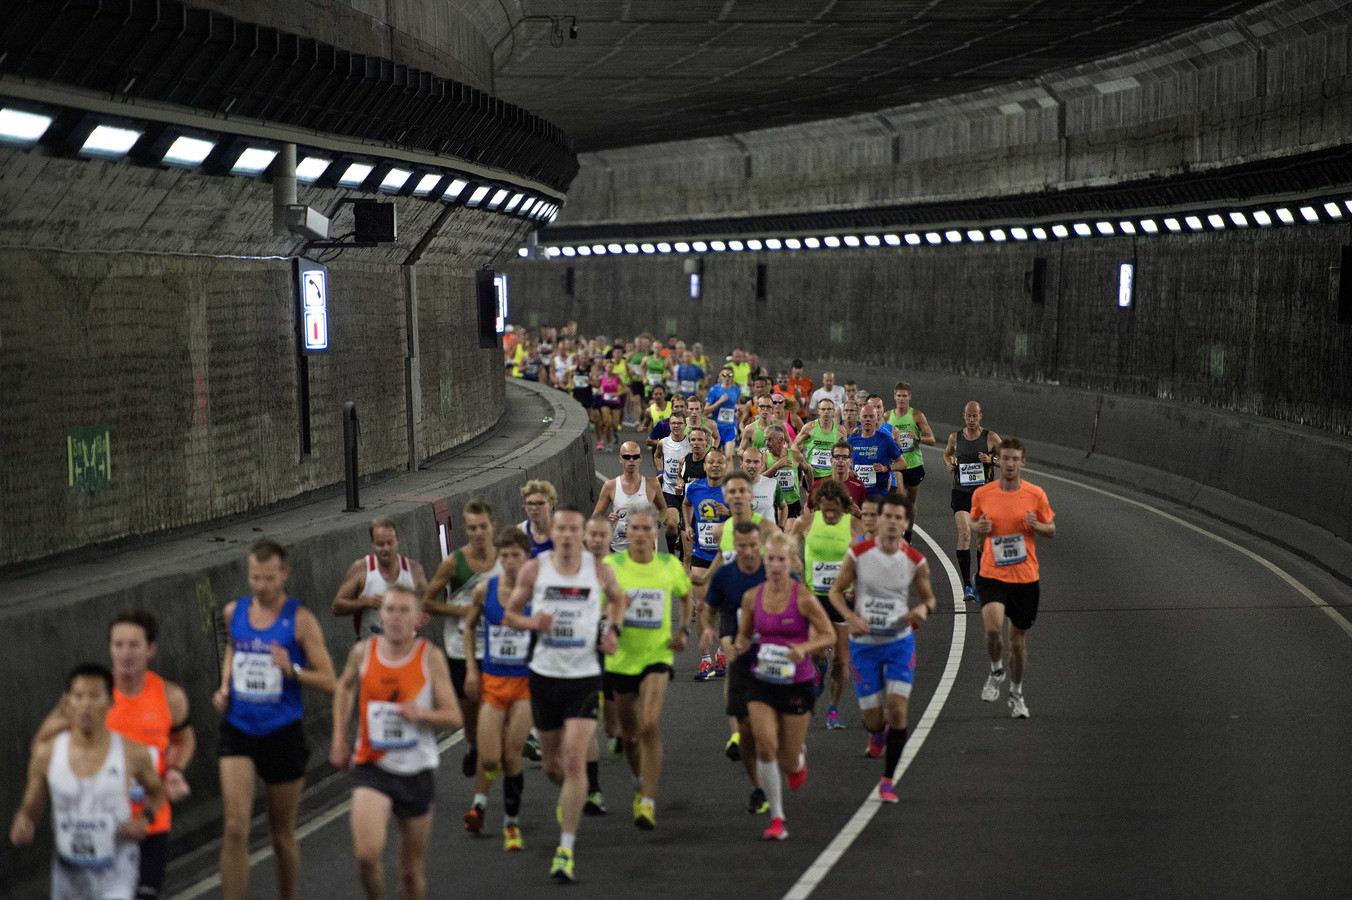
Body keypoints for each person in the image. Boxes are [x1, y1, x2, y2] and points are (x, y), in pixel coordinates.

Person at [30, 609, 195, 900]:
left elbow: (184, 739)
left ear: (151, 649)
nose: (125, 653)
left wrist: (174, 771)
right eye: (118, 645)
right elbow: (41, 744)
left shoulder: (170, 696)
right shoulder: (89, 698)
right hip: (97, 827)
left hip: (148, 823)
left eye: (134, 645)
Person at [501, 506, 627, 884]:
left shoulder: (599, 570)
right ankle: (571, 794)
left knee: (575, 760)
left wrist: (613, 631)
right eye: (563, 529)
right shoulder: (535, 570)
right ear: (554, 532)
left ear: (584, 534)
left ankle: (565, 850)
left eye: (576, 529)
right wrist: (531, 622)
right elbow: (510, 614)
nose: (569, 535)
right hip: (544, 676)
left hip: (584, 677)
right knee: (555, 767)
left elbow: (619, 600)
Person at [213, 540, 336, 900]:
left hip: (282, 733)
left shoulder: (300, 620)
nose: (260, 586)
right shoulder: (233, 611)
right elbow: (234, 650)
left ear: (284, 574)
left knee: (280, 833)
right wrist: (225, 687)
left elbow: (329, 679)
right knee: (235, 828)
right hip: (238, 729)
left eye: (268, 578)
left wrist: (293, 669)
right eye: (254, 577)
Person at [330, 586, 461, 900]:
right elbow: (345, 687)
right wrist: (338, 737)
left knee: (409, 870)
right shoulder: (363, 652)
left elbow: (454, 717)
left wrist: (422, 714)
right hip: (372, 764)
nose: (396, 617)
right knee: (366, 854)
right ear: (381, 614)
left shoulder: (430, 658)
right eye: (389, 610)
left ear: (418, 617)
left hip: (416, 770)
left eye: (404, 610)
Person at [11, 663, 167, 900]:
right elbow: (31, 808)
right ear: (67, 702)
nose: (85, 705)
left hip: (117, 874)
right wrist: (24, 821)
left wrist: (144, 820)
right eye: (79, 696)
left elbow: (157, 793)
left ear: (110, 702)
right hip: (67, 877)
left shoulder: (131, 753)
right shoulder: (47, 754)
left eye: (94, 696)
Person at [828, 493, 936, 800]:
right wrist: (850, 617)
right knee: (873, 721)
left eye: (897, 518)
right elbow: (836, 592)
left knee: (899, 711)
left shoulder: (915, 561)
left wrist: (921, 611)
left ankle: (888, 781)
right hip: (864, 644)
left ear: (905, 523)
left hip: (899, 643)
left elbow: (929, 599)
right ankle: (878, 732)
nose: (890, 522)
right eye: (886, 516)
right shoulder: (859, 553)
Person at [732, 532, 835, 841]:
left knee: (788, 762)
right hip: (761, 679)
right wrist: (737, 645)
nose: (775, 565)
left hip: (796, 681)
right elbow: (745, 635)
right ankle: (777, 817)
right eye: (770, 559)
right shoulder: (753, 597)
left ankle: (798, 758)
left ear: (792, 562)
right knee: (764, 745)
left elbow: (828, 634)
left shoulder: (802, 597)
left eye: (781, 560)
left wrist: (805, 648)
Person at [603, 505, 692, 829]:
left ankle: (649, 801)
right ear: (626, 533)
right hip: (621, 660)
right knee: (629, 736)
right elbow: (596, 608)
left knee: (650, 725)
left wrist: (683, 630)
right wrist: (611, 618)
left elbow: (685, 597)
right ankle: (639, 783)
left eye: (645, 529)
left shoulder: (669, 565)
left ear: (655, 532)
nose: (639, 534)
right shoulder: (611, 566)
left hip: (657, 656)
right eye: (634, 529)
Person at [460, 528, 535, 849]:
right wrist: (471, 668)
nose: (509, 561)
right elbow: (470, 627)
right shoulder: (484, 590)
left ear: (526, 558)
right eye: (504, 556)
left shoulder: (538, 594)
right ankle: (480, 801)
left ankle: (511, 823)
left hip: (525, 686)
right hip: (492, 682)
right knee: (490, 758)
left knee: (512, 753)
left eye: (515, 555)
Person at [971, 438, 1056, 718]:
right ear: (998, 461)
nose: (1009, 464)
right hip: (992, 573)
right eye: (1004, 458)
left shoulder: (1035, 494)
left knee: (1017, 644)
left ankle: (1016, 694)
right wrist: (978, 526)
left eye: (1014, 459)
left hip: (1025, 577)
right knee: (994, 630)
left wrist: (1037, 525)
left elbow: (1051, 529)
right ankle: (996, 670)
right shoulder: (983, 493)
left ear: (1022, 462)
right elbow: (973, 521)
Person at [423, 499, 500, 780]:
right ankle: (475, 746)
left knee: (494, 713)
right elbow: (426, 603)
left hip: (495, 649)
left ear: (493, 526)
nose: (478, 533)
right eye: (471, 528)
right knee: (470, 724)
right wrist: (462, 611)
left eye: (482, 527)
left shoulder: (505, 561)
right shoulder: (454, 563)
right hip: (459, 649)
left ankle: (491, 753)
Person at [701, 522, 768, 813]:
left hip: (773, 657)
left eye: (754, 545)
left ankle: (786, 760)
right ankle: (758, 788)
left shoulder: (773, 572)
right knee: (747, 728)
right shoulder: (725, 576)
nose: (748, 551)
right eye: (742, 547)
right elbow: (709, 610)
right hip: (740, 655)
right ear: (733, 548)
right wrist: (707, 630)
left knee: (773, 738)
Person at [795, 479, 864, 729]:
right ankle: (818, 668)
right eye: (826, 509)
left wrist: (856, 585)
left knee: (842, 662)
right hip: (815, 599)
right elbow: (786, 545)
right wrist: (793, 564)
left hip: (842, 600)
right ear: (818, 506)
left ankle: (833, 708)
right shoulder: (808, 522)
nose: (831, 514)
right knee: (818, 650)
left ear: (843, 506)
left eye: (835, 509)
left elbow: (866, 558)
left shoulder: (853, 525)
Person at [333, 517, 429, 641]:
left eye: (390, 543)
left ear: (398, 541)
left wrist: (419, 612)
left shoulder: (413, 569)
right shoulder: (361, 569)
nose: (386, 549)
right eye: (380, 544)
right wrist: (365, 602)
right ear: (372, 543)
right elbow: (337, 607)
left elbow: (428, 602)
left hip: (406, 646)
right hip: (370, 647)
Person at [944, 402, 1001, 602]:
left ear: (980, 417)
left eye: (974, 417)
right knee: (965, 533)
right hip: (960, 492)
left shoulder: (991, 438)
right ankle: (967, 584)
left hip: (984, 494)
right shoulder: (955, 437)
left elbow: (1008, 460)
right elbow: (947, 454)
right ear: (964, 416)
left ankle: (979, 579)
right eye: (968, 416)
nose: (971, 420)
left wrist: (991, 461)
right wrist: (949, 464)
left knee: (981, 541)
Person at [683, 448, 731, 680]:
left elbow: (747, 518)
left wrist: (730, 512)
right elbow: (685, 504)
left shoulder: (731, 491)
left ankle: (721, 653)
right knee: (701, 605)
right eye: (710, 462)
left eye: (719, 462)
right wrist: (688, 526)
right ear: (704, 465)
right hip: (701, 553)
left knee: (722, 607)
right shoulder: (694, 488)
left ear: (725, 466)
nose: (714, 466)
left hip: (724, 555)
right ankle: (705, 660)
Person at [594, 441, 670, 554]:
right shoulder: (610, 486)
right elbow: (595, 518)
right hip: (618, 548)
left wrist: (656, 524)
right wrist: (608, 521)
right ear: (620, 459)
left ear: (640, 459)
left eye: (635, 457)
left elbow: (663, 509)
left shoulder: (652, 484)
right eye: (627, 457)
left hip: (645, 549)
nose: (631, 460)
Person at [887, 382, 937, 541]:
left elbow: (932, 439)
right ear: (894, 396)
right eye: (899, 395)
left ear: (909, 397)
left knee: (910, 502)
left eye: (904, 395)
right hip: (896, 465)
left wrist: (917, 437)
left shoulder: (916, 415)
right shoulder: (887, 416)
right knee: (899, 498)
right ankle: (898, 533)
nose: (901, 399)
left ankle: (908, 532)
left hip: (913, 464)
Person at [848, 405, 905, 498]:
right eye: (865, 416)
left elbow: (903, 463)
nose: (868, 419)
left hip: (878, 493)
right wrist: (848, 471)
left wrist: (886, 468)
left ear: (877, 419)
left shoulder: (886, 440)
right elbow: (842, 461)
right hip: (856, 491)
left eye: (871, 417)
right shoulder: (851, 441)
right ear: (859, 418)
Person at [655, 413, 692, 555]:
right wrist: (660, 471)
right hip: (669, 489)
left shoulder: (690, 443)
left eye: (679, 423)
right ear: (669, 425)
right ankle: (671, 554)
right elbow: (657, 456)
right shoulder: (663, 443)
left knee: (685, 526)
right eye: (673, 423)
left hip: (687, 490)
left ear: (685, 425)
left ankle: (683, 556)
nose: (676, 426)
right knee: (671, 524)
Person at [763, 424, 810, 523]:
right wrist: (776, 467)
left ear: (780, 440)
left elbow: (808, 470)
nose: (767, 443)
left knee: (789, 532)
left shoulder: (795, 456)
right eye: (766, 440)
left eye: (770, 440)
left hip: (791, 503)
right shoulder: (764, 457)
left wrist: (810, 491)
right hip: (772, 504)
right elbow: (759, 479)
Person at [795, 398, 841, 481]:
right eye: (823, 409)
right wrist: (803, 464)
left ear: (833, 411)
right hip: (811, 474)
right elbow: (794, 446)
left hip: (831, 475)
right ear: (818, 411)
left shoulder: (840, 430)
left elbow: (846, 452)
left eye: (829, 409)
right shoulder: (809, 427)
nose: (826, 412)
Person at [739, 448, 785, 528]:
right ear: (741, 464)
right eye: (748, 461)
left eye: (756, 462)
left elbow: (783, 507)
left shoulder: (772, 484)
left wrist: (781, 527)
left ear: (762, 464)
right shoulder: (734, 486)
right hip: (744, 537)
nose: (752, 466)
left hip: (767, 537)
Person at [704, 366, 742, 454]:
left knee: (729, 456)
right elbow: (706, 410)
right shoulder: (714, 390)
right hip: (717, 427)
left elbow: (736, 404)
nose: (727, 378)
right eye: (724, 375)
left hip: (730, 427)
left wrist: (738, 409)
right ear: (720, 377)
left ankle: (731, 468)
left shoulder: (736, 390)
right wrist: (719, 401)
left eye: (729, 375)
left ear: (733, 377)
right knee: (716, 455)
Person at [517, 479, 557, 558]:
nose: (534, 508)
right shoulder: (521, 531)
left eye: (540, 503)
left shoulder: (563, 529)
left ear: (551, 505)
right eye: (530, 503)